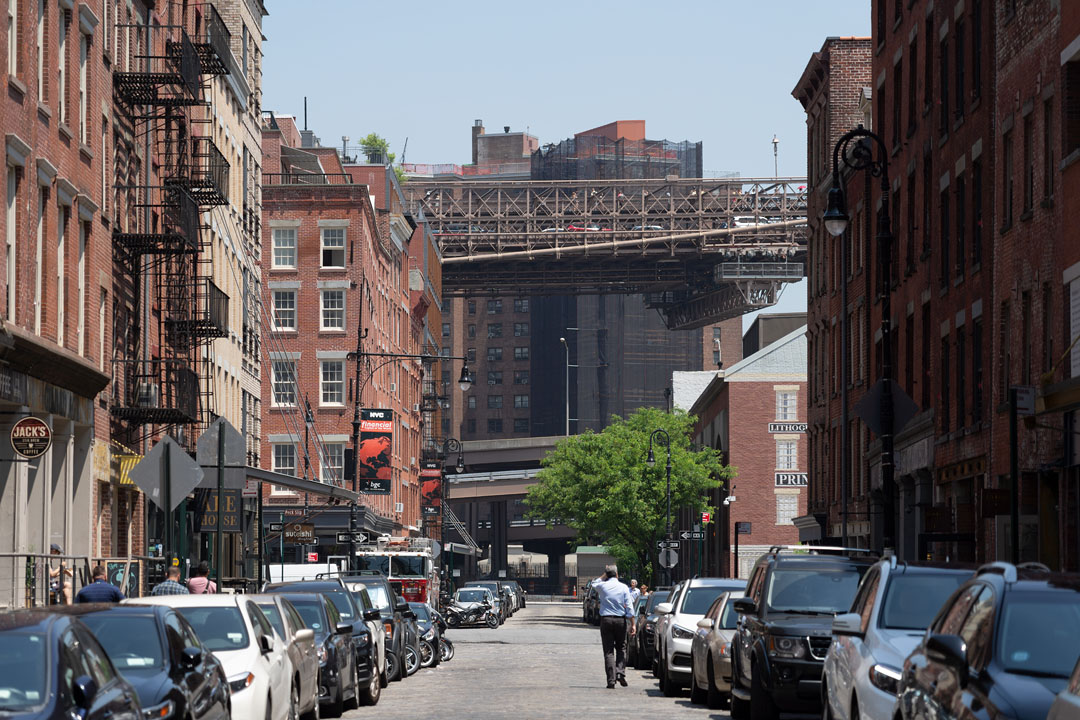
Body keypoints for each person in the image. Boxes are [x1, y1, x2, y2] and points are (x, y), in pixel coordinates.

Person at [590, 564, 635, 689]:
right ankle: (620, 672)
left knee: (608, 651)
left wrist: (605, 573)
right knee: (621, 647)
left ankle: (611, 679)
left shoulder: (602, 586)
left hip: (606, 620)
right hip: (620, 620)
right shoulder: (624, 587)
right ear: (617, 574)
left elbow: (594, 583)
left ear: (606, 575)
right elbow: (630, 608)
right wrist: (633, 623)